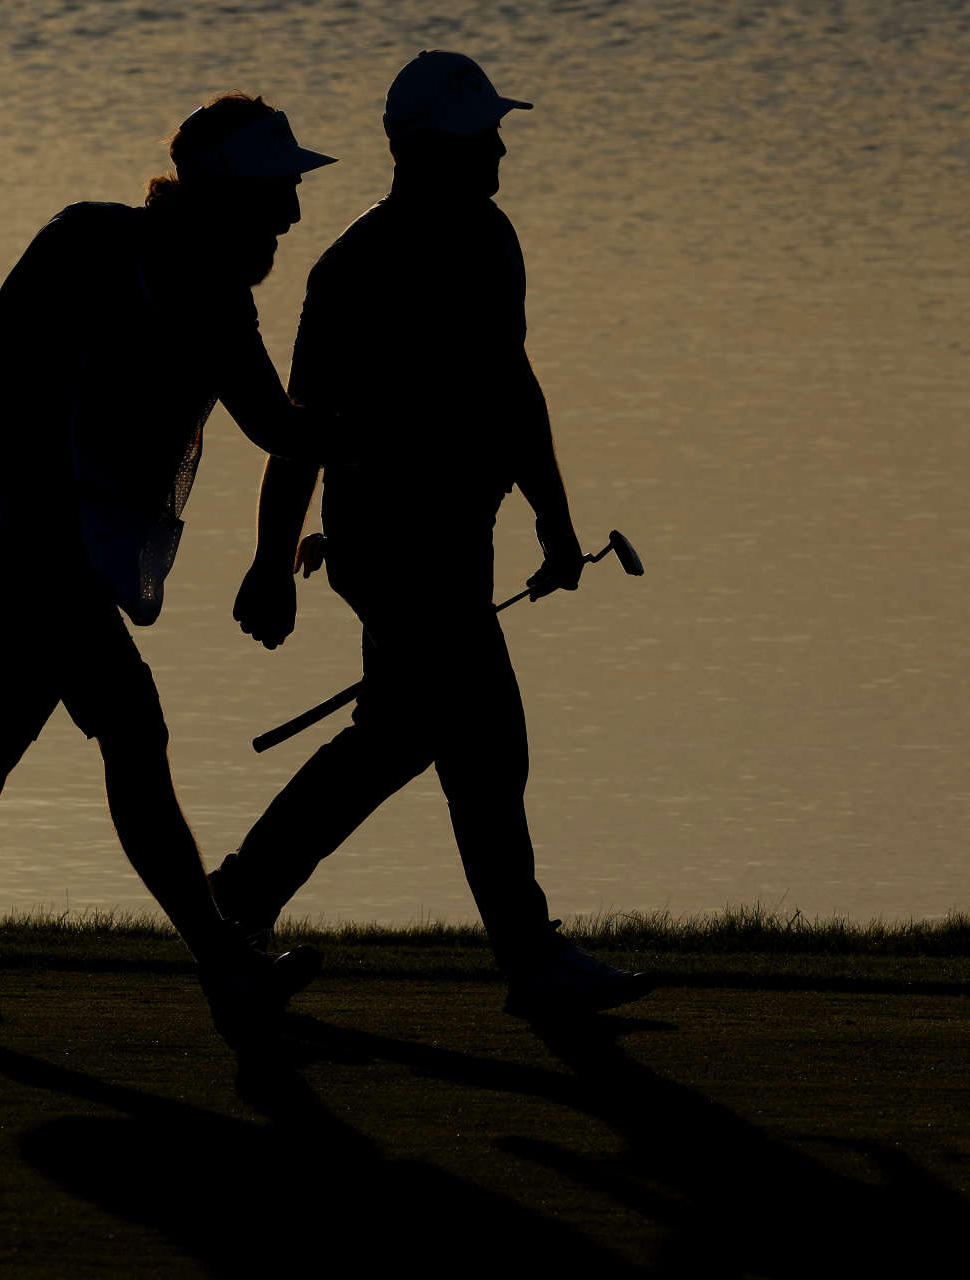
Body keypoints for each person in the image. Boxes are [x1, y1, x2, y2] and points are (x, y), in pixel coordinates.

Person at [0, 94, 341, 1040]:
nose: (291, 215)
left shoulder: (148, 264)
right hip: (32, 548)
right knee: (128, 730)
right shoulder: (151, 268)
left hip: (24, 543)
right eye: (279, 193)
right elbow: (274, 427)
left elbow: (273, 425)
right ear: (230, 193)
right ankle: (223, 964)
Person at [207, 52, 652, 1019]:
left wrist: (554, 515)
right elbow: (300, 429)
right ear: (431, 150)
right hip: (385, 542)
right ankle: (531, 961)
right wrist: (269, 563)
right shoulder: (353, 271)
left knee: (397, 737)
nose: (499, 147)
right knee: (487, 735)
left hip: (462, 536)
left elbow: (511, 387)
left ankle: (237, 898)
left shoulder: (492, 240)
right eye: (483, 133)